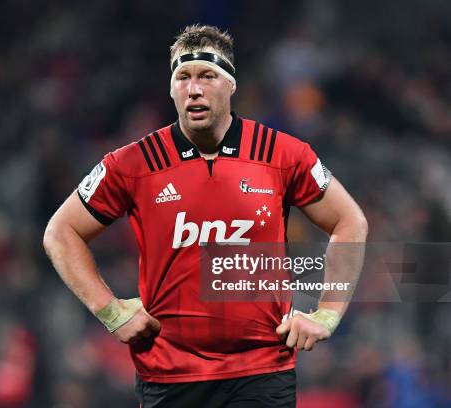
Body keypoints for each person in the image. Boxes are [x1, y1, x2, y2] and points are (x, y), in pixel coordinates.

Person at [44, 24, 368, 408]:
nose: (193, 88)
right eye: (182, 77)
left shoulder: (283, 154)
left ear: (231, 85)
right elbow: (60, 232)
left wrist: (328, 314)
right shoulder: (132, 163)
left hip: (262, 373)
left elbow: (351, 221)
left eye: (207, 75)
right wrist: (111, 312)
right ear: (171, 89)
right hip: (170, 376)